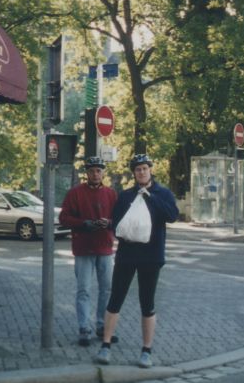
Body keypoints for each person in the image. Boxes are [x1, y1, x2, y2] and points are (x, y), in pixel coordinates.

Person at [95, 154, 179, 369]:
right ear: (133, 173)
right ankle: (105, 346)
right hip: (127, 255)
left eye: (144, 168)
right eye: (137, 169)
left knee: (147, 303)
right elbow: (118, 225)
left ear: (150, 170)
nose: (141, 172)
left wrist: (149, 196)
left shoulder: (163, 193)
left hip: (151, 257)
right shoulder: (125, 196)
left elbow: (171, 216)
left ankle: (146, 350)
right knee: (115, 299)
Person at [59, 156, 118, 347]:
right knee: (84, 290)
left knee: (106, 289)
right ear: (87, 173)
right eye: (92, 170)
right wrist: (84, 223)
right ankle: (84, 327)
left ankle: (102, 326)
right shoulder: (75, 193)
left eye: (99, 170)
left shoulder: (111, 194)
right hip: (83, 248)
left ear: (103, 173)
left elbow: (119, 218)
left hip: (105, 248)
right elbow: (64, 218)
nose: (95, 174)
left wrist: (108, 222)